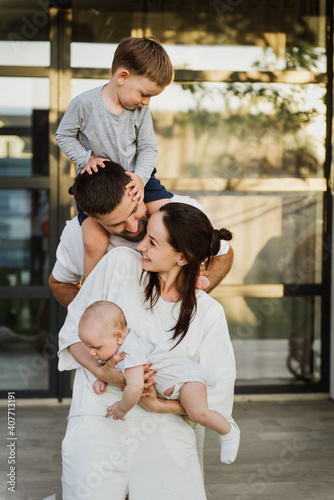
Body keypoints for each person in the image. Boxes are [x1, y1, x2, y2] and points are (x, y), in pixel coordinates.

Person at [58, 201, 239, 500]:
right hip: (98, 416)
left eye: (152, 242)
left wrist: (160, 406)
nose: (140, 246)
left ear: (184, 257)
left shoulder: (208, 313)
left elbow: (217, 398)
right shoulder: (118, 264)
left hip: (166, 430)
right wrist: (102, 371)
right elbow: (69, 335)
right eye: (146, 235)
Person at [55, 36, 174, 277]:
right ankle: (92, 293)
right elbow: (63, 135)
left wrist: (140, 178)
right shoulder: (84, 104)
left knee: (171, 220)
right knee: (93, 242)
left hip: (136, 178)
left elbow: (149, 148)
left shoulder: (140, 111)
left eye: (151, 97)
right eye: (144, 94)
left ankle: (193, 270)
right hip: (99, 185)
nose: (146, 102)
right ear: (122, 77)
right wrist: (85, 159)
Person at [49, 161, 234, 307]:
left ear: (138, 188)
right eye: (117, 223)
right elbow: (60, 283)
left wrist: (185, 300)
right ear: (93, 218)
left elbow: (224, 254)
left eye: (134, 209)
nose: (133, 226)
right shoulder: (78, 234)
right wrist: (93, 319)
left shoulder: (181, 213)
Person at [78, 300, 240, 465]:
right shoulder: (117, 348)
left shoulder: (130, 351)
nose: (91, 353)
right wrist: (103, 378)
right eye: (87, 346)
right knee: (191, 415)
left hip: (186, 378)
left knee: (199, 413)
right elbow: (116, 369)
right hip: (178, 384)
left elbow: (135, 387)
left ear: (118, 337)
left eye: (96, 347)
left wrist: (121, 408)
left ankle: (228, 432)